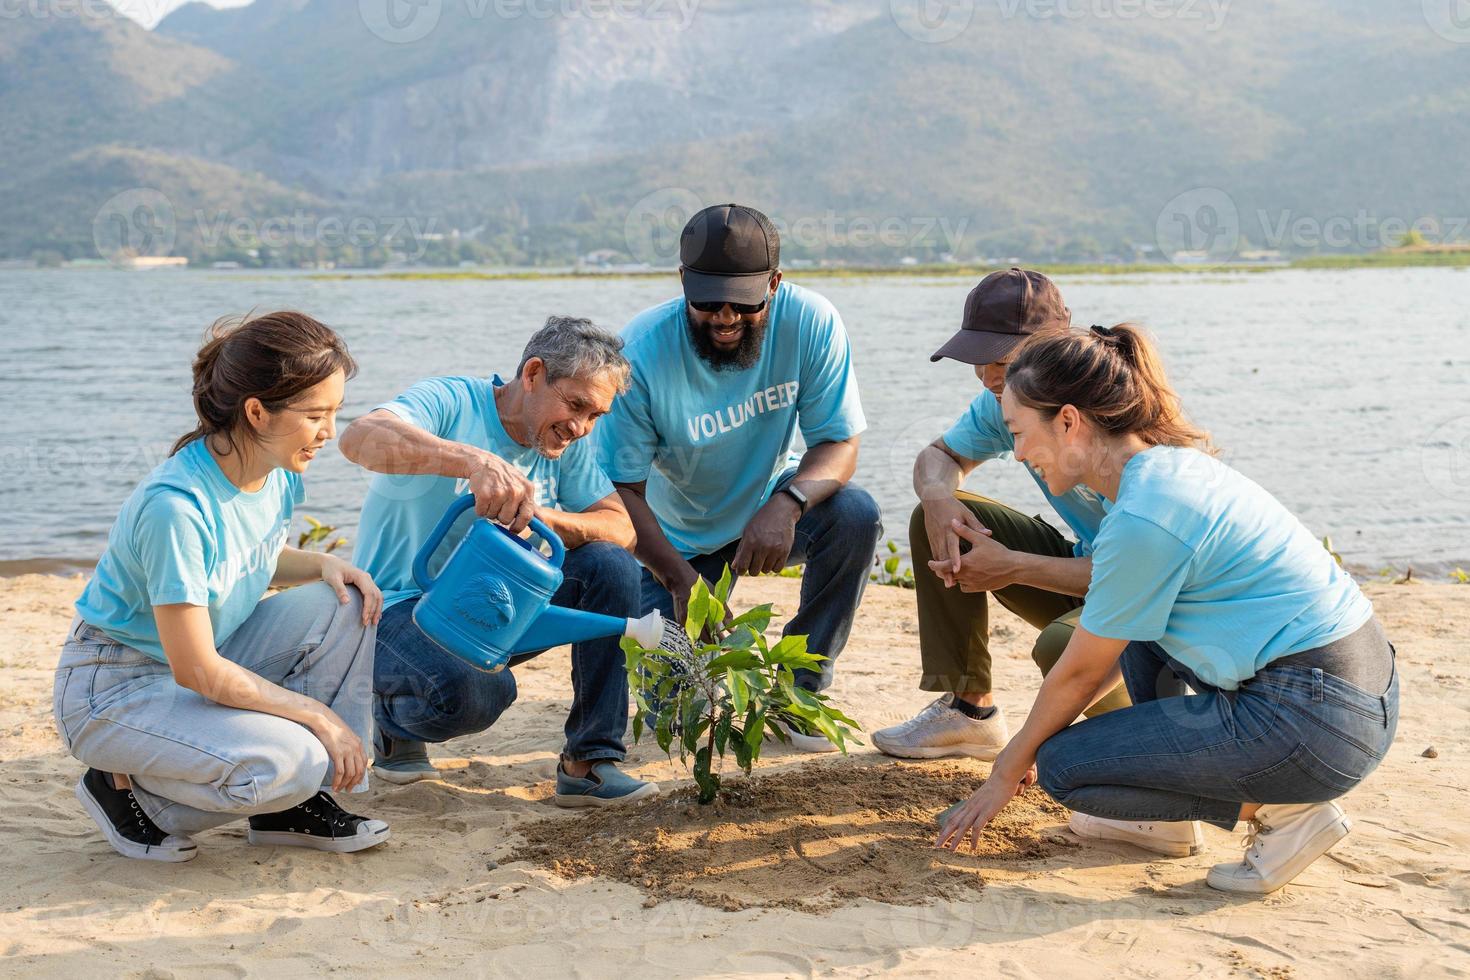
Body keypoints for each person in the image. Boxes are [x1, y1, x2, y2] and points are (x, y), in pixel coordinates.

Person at [936, 324, 1397, 895]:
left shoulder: (1144, 516)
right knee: (1136, 636)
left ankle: (1287, 815)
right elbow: (1119, 636)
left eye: (1019, 433)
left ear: (1070, 421)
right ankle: (1167, 819)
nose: (1020, 453)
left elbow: (1078, 674)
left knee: (1064, 767)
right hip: (1358, 689)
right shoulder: (1168, 470)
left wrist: (1006, 771)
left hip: (1315, 719)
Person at [54, 312, 389, 863]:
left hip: (194, 659)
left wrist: (322, 565)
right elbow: (197, 671)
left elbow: (246, 557)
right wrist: (315, 713)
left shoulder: (276, 470)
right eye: (316, 415)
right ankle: (129, 796)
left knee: (346, 600)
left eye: (335, 413)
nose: (330, 432)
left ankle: (294, 805)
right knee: (295, 759)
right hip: (115, 688)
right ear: (257, 412)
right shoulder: (175, 508)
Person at [596, 204, 882, 752]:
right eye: (706, 302)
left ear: (774, 283)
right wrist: (682, 580)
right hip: (669, 543)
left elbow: (840, 443)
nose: (724, 316)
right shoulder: (639, 351)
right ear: (683, 283)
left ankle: (803, 690)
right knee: (678, 714)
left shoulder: (811, 321)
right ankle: (678, 644)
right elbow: (621, 492)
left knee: (854, 514)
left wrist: (788, 504)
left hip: (764, 517)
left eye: (745, 302)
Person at [341, 316, 657, 807]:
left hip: (484, 607)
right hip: (394, 609)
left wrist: (541, 516)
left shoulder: (562, 443)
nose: (581, 427)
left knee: (609, 565)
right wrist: (473, 462)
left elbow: (622, 528)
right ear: (532, 374)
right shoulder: (451, 401)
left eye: (596, 416)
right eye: (575, 405)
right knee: (479, 695)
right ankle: (392, 720)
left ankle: (589, 763)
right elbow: (359, 438)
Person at [873, 269, 1128, 763]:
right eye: (977, 359)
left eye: (1003, 358)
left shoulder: (1114, 418)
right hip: (1089, 571)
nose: (990, 376)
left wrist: (1011, 565)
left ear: (1055, 344)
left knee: (1060, 646)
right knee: (946, 517)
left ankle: (1135, 722)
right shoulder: (1006, 397)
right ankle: (969, 713)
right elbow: (939, 456)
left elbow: (1144, 574)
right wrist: (937, 495)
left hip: (1152, 603)